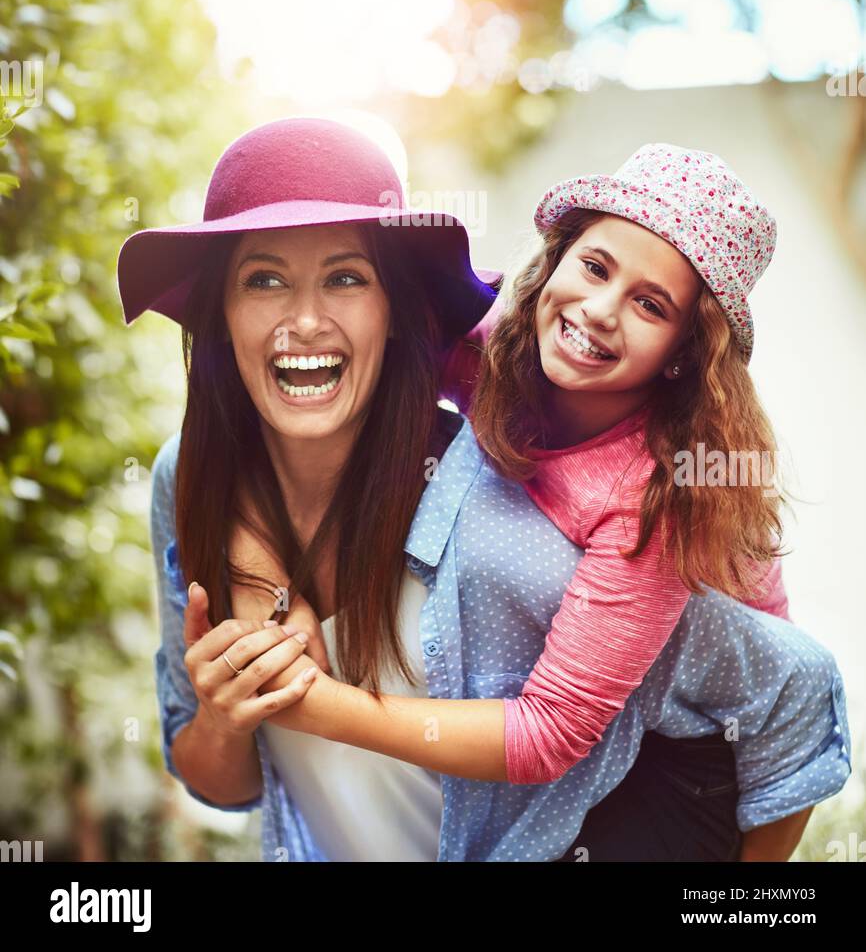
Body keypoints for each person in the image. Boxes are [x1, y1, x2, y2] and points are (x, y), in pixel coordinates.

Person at [122, 122, 852, 861]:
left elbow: (789, 683)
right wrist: (247, 618)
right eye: (264, 278)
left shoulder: (613, 511)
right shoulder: (492, 355)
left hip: (683, 773)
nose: (306, 320)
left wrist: (319, 704)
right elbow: (218, 779)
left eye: (346, 277)